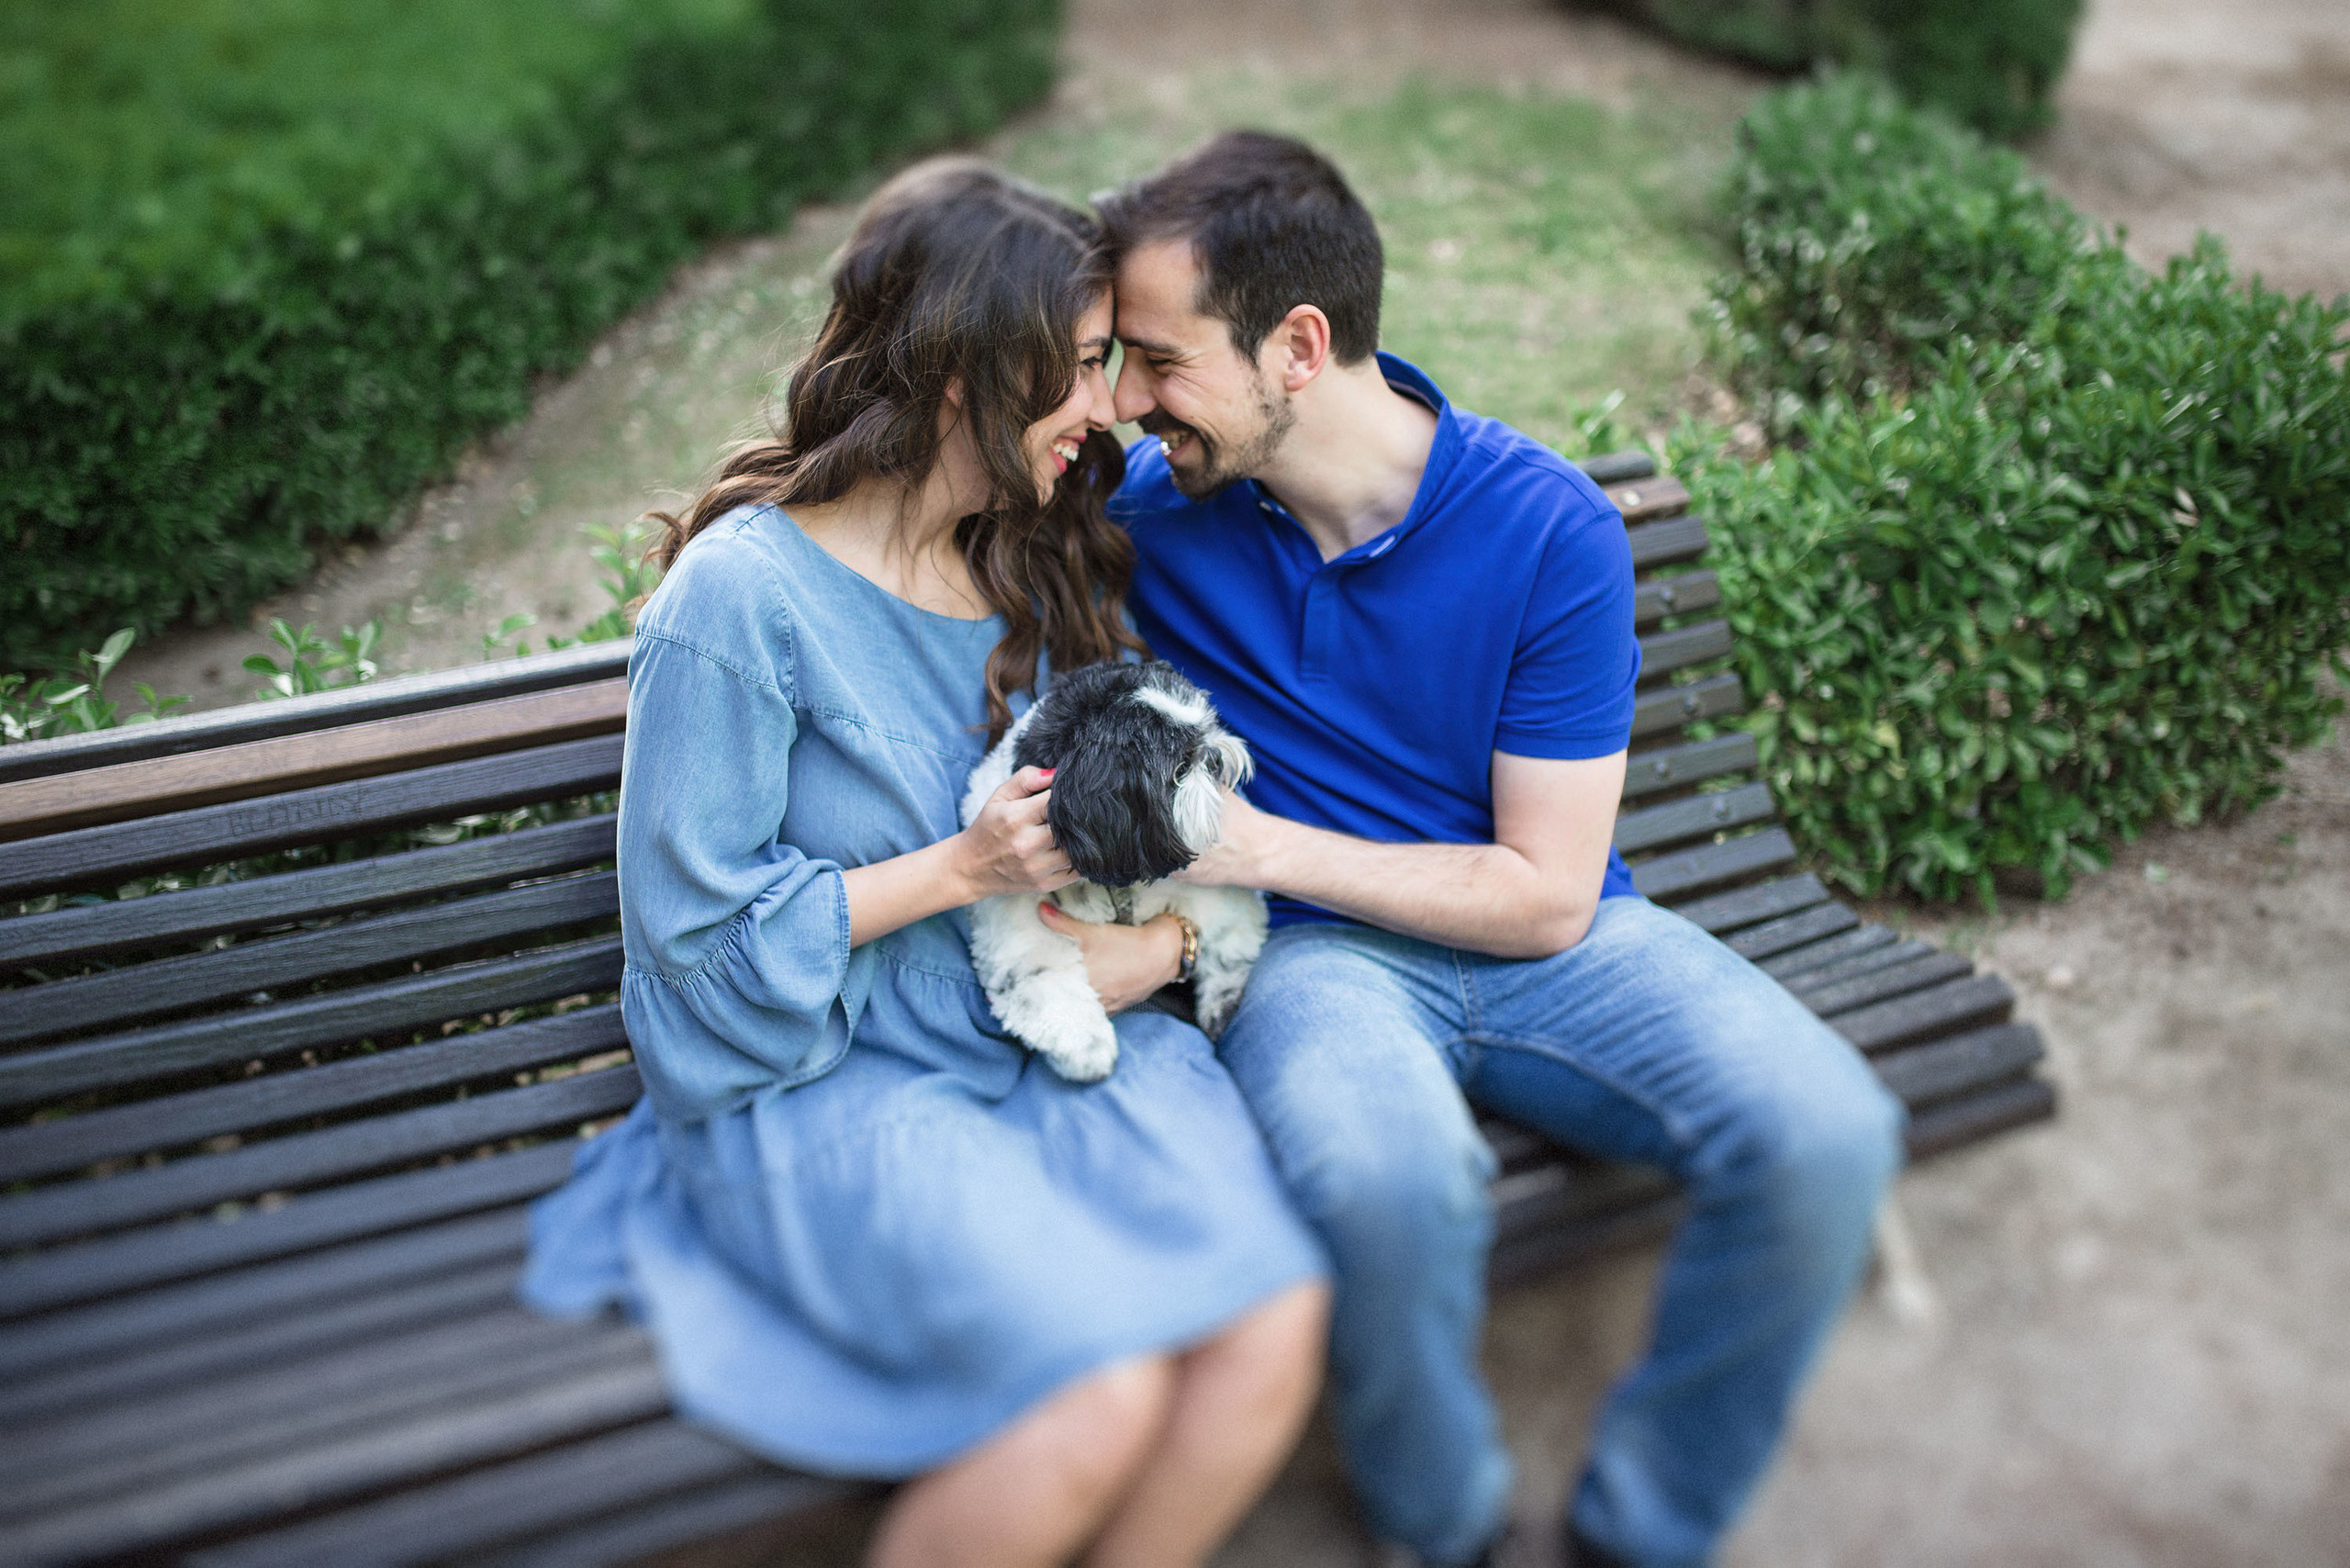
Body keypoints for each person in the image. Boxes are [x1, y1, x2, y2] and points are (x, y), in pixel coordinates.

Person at [1093, 132, 1906, 1568]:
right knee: (1388, 1188)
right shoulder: (1151, 513)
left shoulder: (1547, 531)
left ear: (1299, 344)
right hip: (1316, 966)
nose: (1127, 402)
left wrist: (1261, 846)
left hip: (1552, 945)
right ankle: (1445, 1522)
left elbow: (1543, 897)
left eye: (1159, 361)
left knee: (1828, 1138)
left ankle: (1642, 1530)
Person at [520, 158, 1330, 1568]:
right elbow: (689, 962)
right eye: (1081, 367)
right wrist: (959, 871)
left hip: (1056, 1042)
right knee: (1090, 1395)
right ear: (964, 373)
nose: (1112, 407)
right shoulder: (742, 602)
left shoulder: (1031, 556)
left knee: (1271, 1325)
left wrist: (1168, 949)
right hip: (837, 1080)